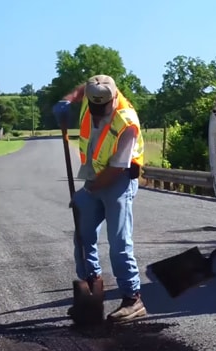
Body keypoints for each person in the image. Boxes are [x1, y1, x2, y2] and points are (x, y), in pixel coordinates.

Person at [52, 74, 147, 323]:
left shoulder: (126, 123)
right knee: (83, 236)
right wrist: (68, 99)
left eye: (101, 108)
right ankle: (92, 293)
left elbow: (116, 168)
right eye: (93, 107)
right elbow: (85, 88)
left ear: (113, 98)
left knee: (118, 243)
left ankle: (133, 299)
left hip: (119, 181)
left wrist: (88, 190)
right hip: (95, 178)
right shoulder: (94, 95)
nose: (95, 113)